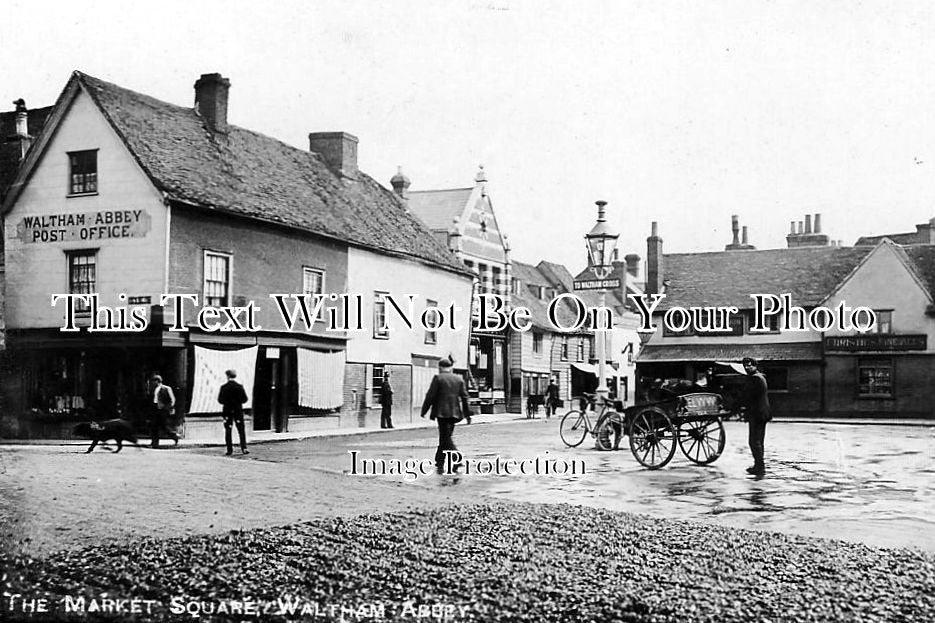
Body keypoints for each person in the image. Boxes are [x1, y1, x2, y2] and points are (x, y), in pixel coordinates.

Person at [420, 356, 472, 473]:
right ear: (450, 367)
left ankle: (457, 458)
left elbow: (430, 396)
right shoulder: (459, 379)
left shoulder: (438, 378)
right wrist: (468, 415)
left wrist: (424, 410)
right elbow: (465, 397)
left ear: (440, 367)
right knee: (445, 437)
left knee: (446, 437)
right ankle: (439, 460)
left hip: (442, 412)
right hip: (455, 413)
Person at [741, 357, 771, 475]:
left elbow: (748, 397)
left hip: (757, 413)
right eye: (745, 366)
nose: (747, 368)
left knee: (754, 441)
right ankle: (759, 465)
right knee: (759, 440)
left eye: (749, 365)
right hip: (763, 412)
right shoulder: (761, 377)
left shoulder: (754, 379)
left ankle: (759, 467)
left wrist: (737, 407)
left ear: (755, 366)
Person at [218, 369, 249, 456]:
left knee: (228, 430)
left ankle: (229, 449)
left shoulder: (224, 387)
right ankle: (244, 448)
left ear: (227, 376)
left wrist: (228, 402)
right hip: (237, 411)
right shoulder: (239, 387)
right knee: (241, 429)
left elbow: (220, 400)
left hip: (227, 411)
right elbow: (245, 399)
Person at [149, 374, 178, 448]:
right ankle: (154, 443)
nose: (152, 383)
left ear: (158, 381)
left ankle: (174, 436)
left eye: (154, 381)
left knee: (164, 426)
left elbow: (172, 400)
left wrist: (167, 408)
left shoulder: (166, 388)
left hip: (163, 410)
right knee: (154, 426)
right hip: (155, 409)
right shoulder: (153, 389)